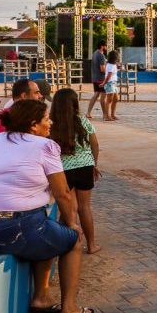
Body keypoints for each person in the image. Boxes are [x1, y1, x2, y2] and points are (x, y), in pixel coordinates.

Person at [0, 100, 93, 313]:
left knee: (47, 227)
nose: (50, 123)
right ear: (33, 125)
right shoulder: (45, 147)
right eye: (46, 119)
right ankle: (69, 309)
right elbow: (63, 194)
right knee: (71, 241)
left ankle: (42, 298)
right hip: (17, 230)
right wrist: (73, 224)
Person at [49, 88, 101, 254]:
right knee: (84, 207)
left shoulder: (51, 124)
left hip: (63, 170)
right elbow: (95, 144)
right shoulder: (82, 121)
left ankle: (66, 245)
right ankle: (91, 245)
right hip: (85, 167)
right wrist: (94, 163)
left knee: (69, 209)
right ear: (75, 104)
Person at [87, 41, 108, 119]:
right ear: (102, 46)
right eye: (105, 46)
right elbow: (102, 69)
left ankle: (88, 113)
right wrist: (110, 73)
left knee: (96, 95)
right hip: (101, 78)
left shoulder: (95, 53)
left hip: (95, 78)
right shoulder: (101, 55)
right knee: (103, 96)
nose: (106, 48)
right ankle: (105, 114)